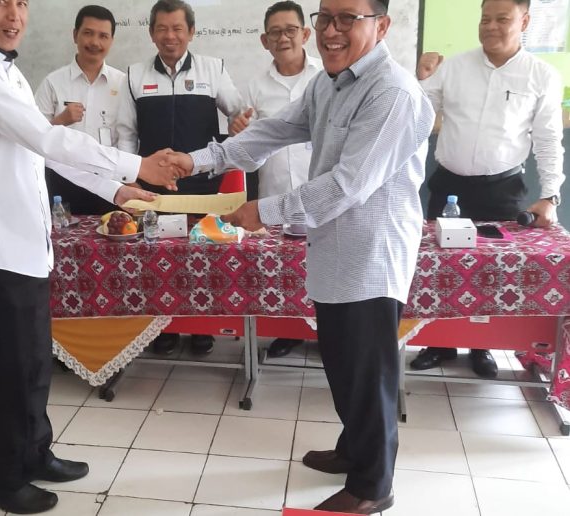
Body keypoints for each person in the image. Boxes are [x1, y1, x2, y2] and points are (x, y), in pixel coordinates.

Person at [166, 0, 435, 511]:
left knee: (368, 372)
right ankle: (353, 449)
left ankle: (372, 487)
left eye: (347, 19)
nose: (331, 31)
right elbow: (272, 131)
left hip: (370, 256)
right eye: (325, 17)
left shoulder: (393, 92)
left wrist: (264, 211)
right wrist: (198, 160)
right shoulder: (328, 84)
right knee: (342, 362)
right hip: (332, 249)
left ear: (381, 25)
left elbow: (347, 185)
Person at [0, 1, 183, 513]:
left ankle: (34, 452)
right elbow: (46, 136)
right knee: (11, 367)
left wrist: (116, 189)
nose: (14, 14)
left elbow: (42, 151)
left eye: (22, 2)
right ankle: (1, 479)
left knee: (32, 361)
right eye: (1, 1)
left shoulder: (5, 69)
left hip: (23, 243)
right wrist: (137, 164)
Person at [410, 0, 565, 379]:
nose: (490, 26)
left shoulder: (541, 75)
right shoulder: (454, 68)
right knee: (439, 268)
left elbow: (548, 140)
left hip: (502, 190)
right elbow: (416, 115)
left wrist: (550, 195)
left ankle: (483, 346)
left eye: (502, 19)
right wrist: (421, 80)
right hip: (449, 187)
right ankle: (439, 342)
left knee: (493, 273)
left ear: (524, 21)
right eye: (485, 19)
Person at [116, 0, 246, 356]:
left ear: (191, 32)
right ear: (151, 33)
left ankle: (202, 329)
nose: (169, 36)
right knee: (158, 262)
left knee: (202, 258)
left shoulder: (213, 69)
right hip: (153, 189)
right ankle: (164, 328)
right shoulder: (134, 75)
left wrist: (239, 123)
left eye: (177, 28)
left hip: (204, 184)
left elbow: (237, 112)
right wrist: (131, 178)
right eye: (162, 28)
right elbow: (126, 134)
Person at [228, 0, 322, 359]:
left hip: (321, 194)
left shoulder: (326, 76)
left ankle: (328, 334)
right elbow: (248, 150)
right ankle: (290, 330)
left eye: (290, 30)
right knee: (284, 271)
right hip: (275, 194)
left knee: (324, 267)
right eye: (275, 33)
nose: (283, 38)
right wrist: (238, 132)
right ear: (264, 41)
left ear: (306, 34)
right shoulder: (255, 86)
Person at [35, 5, 125, 215]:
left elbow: (129, 135)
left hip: (110, 182)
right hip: (62, 181)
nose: (95, 42)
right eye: (88, 33)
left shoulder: (122, 83)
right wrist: (60, 120)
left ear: (111, 41)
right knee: (62, 234)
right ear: (75, 35)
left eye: (103, 36)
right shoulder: (53, 82)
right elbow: (31, 136)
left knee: (110, 232)